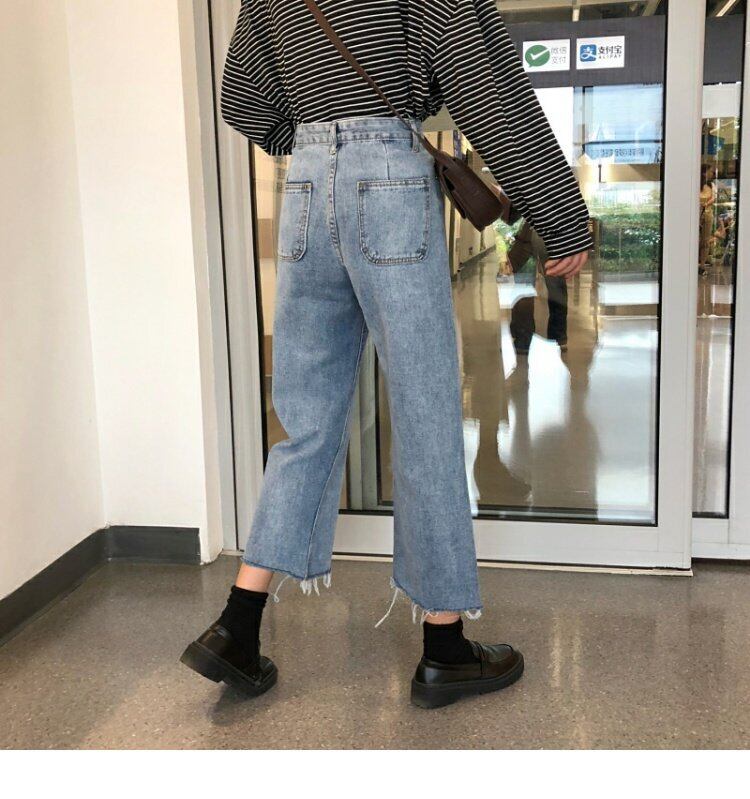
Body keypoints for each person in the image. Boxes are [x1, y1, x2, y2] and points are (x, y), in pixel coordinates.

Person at [181, 0, 591, 709]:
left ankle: (236, 626)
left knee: (306, 420)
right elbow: (485, 82)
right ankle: (445, 647)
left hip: (307, 183)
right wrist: (557, 211)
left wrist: (316, 139)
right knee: (427, 413)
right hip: (390, 182)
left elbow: (243, 96)